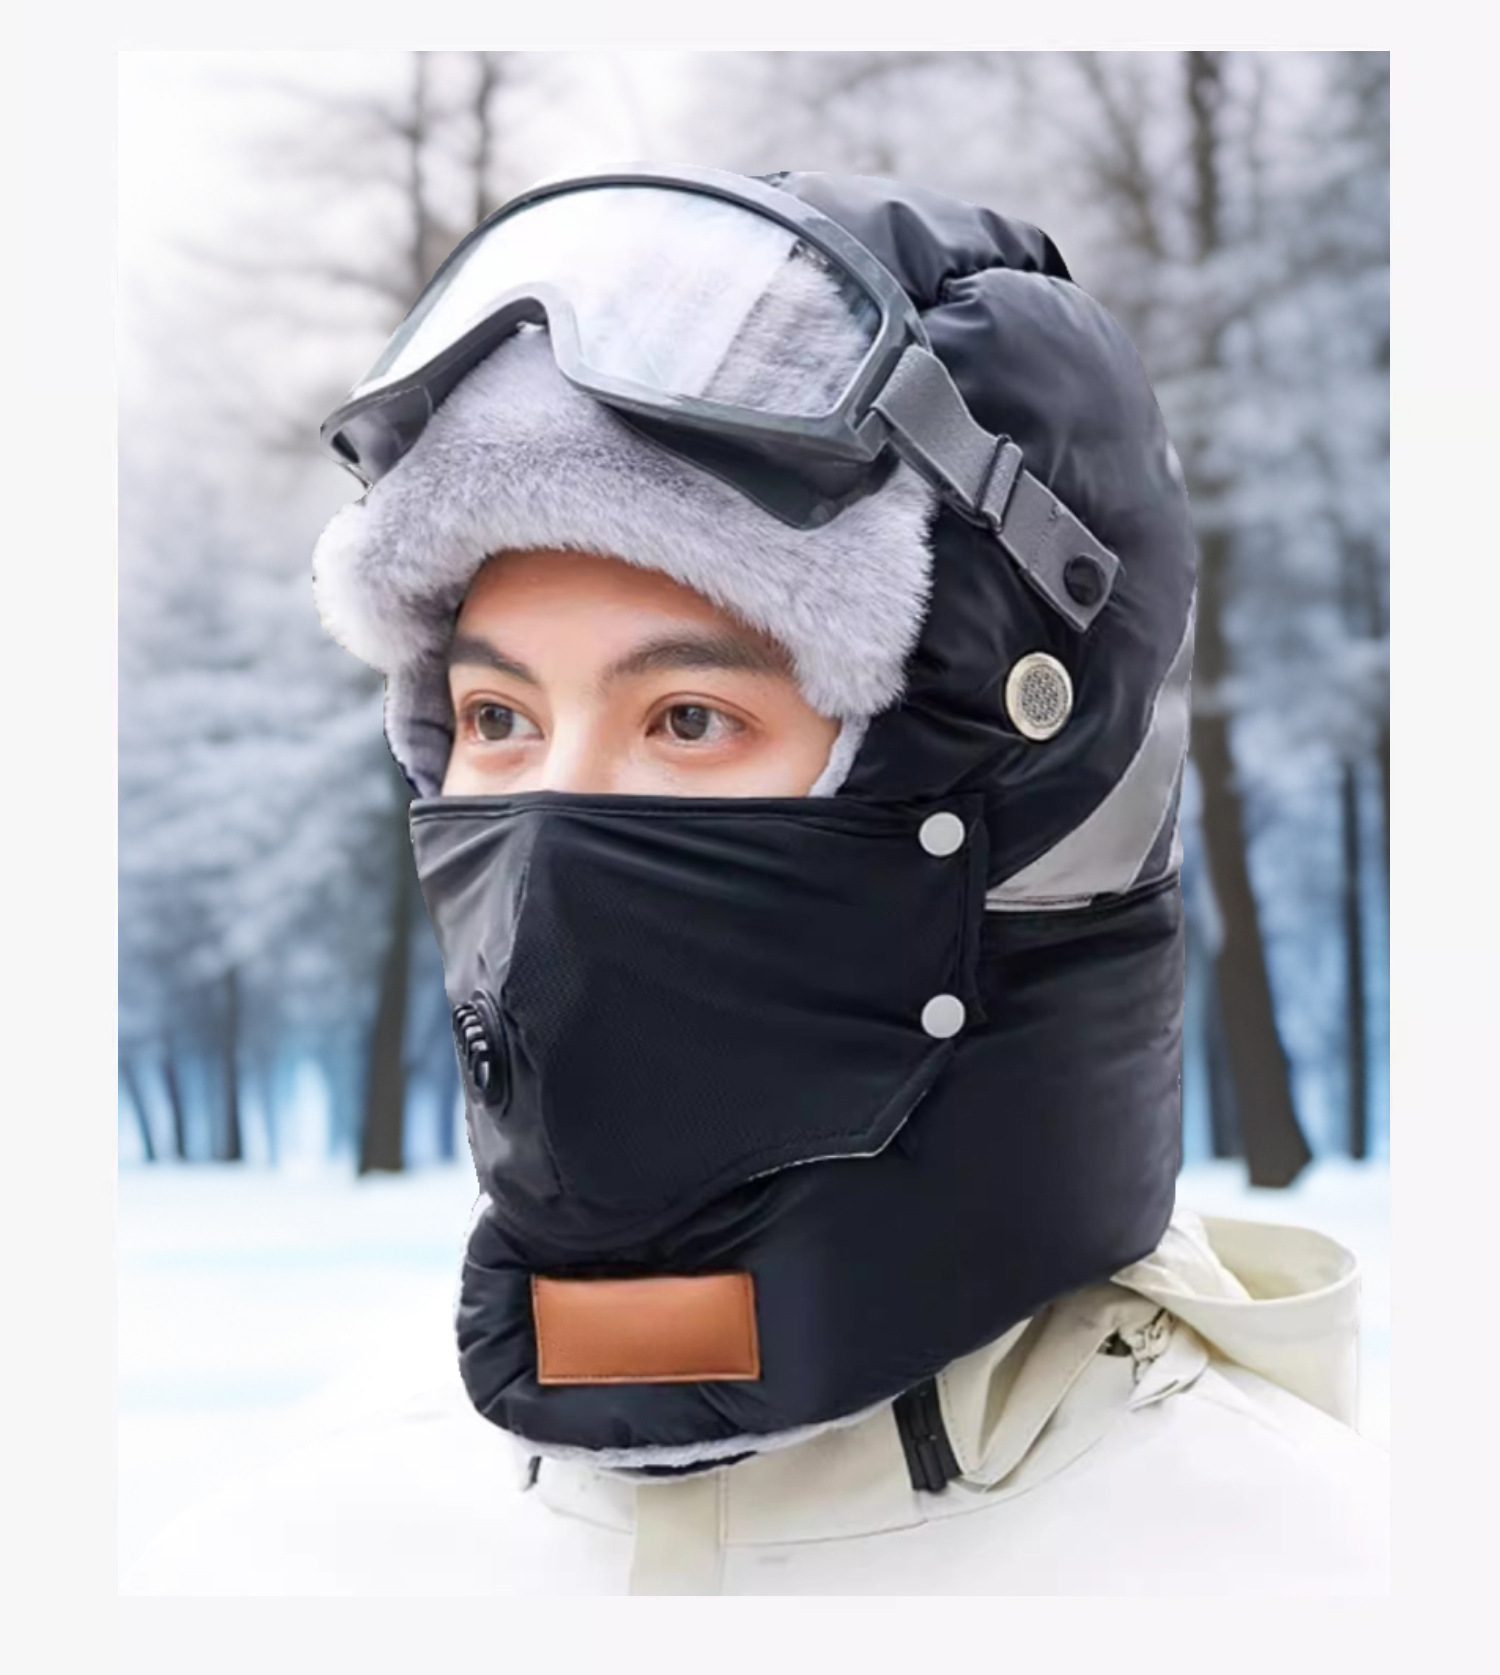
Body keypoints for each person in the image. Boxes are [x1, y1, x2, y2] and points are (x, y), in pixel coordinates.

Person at [123, 164, 1388, 1596]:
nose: (548, 831)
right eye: (496, 719)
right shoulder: (283, 1563)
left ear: (997, 780)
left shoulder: (1309, 1587)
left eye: (687, 720)